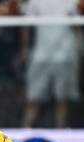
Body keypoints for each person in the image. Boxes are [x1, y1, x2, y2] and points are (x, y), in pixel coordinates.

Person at [22, 0, 80, 128]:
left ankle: (61, 137)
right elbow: (25, 25)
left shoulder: (72, 1)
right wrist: (24, 49)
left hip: (64, 55)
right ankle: (23, 136)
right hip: (40, 55)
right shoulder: (35, 1)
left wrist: (78, 51)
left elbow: (77, 26)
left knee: (62, 100)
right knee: (33, 99)